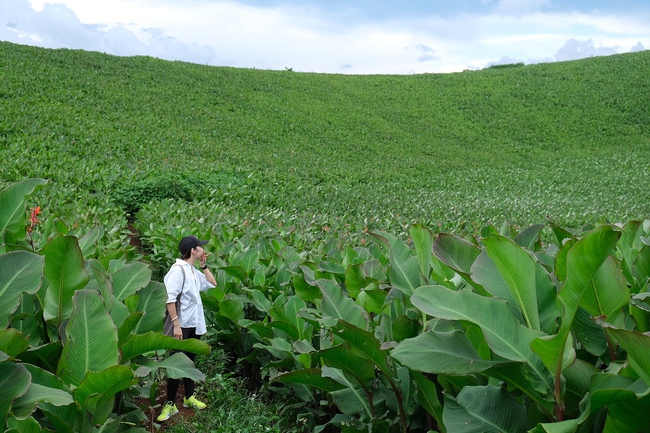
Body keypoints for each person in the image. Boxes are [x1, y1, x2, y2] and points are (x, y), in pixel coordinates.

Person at [157, 235, 217, 422]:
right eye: (200, 247)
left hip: (194, 324)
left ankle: (189, 397)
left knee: (190, 361)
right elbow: (169, 298)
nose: (202, 250)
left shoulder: (192, 270)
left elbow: (212, 283)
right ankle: (170, 404)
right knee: (176, 364)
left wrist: (204, 266)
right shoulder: (177, 271)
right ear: (193, 250)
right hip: (181, 326)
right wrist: (176, 324)